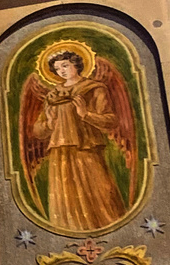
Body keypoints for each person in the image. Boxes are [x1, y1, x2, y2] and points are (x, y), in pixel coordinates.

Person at [29, 49, 128, 232]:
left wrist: (86, 114)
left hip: (87, 147)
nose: (62, 71)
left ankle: (111, 231)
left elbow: (111, 120)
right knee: (66, 198)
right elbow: (38, 131)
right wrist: (49, 123)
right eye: (58, 69)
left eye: (65, 65)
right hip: (60, 152)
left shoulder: (94, 88)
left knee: (101, 193)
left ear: (76, 65)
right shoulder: (53, 96)